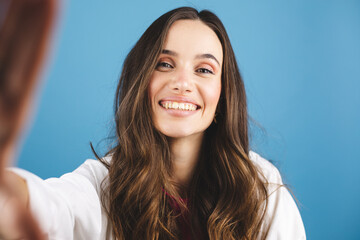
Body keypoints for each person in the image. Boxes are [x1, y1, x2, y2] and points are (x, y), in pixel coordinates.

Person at [0, 6, 306, 240]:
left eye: (204, 69)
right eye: (165, 64)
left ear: (223, 96)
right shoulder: (102, 184)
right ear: (141, 79)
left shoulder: (262, 189)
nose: (182, 83)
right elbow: (48, 205)